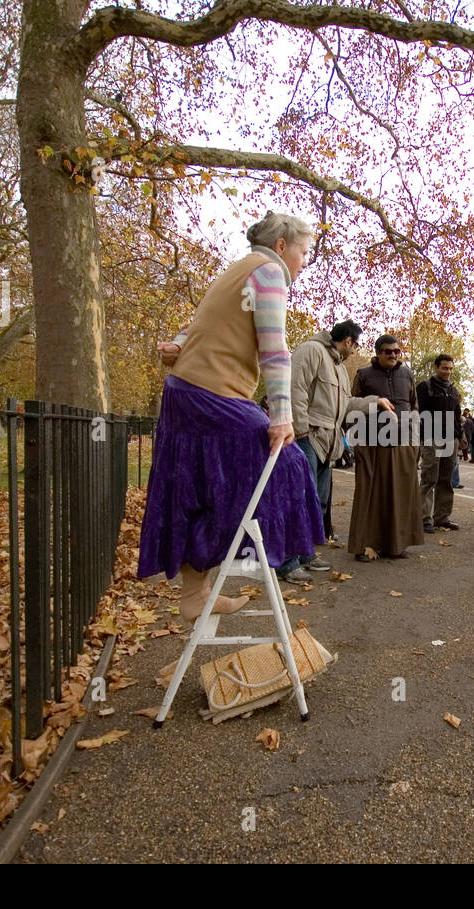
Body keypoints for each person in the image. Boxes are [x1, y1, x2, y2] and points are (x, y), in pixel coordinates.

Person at [140, 212, 323, 618]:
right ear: (281, 246)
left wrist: (177, 343)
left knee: (199, 487)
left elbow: (203, 324)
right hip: (210, 395)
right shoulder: (270, 273)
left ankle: (196, 593)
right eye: (303, 251)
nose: (304, 262)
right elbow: (274, 349)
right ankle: (265, 556)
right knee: (286, 463)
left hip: (186, 392)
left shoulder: (237, 270)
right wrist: (281, 415)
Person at [288, 319, 393, 571]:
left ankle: (305, 554)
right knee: (300, 500)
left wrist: (375, 401)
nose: (355, 352)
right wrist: (300, 431)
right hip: (308, 437)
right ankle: (287, 561)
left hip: (328, 442)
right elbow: (296, 390)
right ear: (348, 341)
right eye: (355, 346)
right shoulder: (310, 351)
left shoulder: (339, 368)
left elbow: (346, 404)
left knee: (318, 502)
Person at [349, 335, 424, 561]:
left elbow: (413, 407)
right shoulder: (363, 375)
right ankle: (364, 546)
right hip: (371, 442)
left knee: (399, 495)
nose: (393, 355)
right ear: (378, 353)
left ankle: (395, 546)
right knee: (369, 496)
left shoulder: (407, 374)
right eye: (388, 351)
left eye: (396, 351)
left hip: (402, 443)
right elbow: (352, 408)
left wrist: (413, 440)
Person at [416, 354, 462, 533]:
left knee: (446, 480)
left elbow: (457, 414)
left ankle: (442, 518)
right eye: (444, 368)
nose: (448, 371)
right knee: (429, 479)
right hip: (431, 439)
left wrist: (458, 435)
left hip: (450, 440)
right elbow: (418, 412)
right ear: (436, 368)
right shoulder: (425, 387)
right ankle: (424, 518)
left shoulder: (453, 390)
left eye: (450, 368)